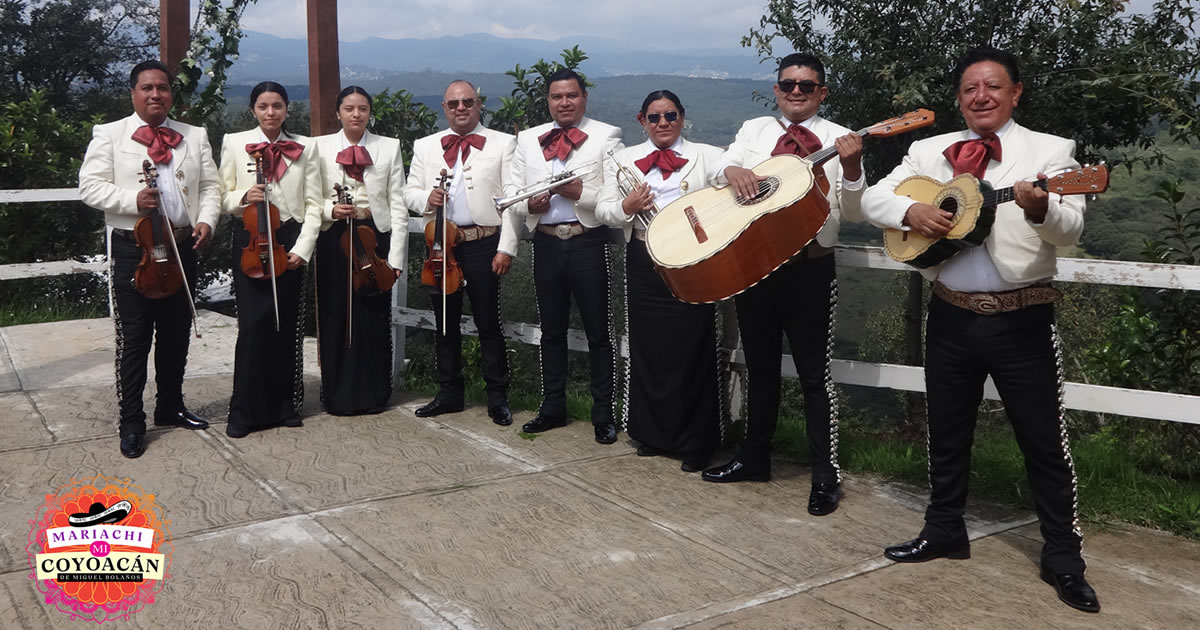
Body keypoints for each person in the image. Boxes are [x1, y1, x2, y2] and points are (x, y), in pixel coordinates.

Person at [861, 46, 1098, 613]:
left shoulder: (1052, 151)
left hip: (1023, 315)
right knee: (946, 432)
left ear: (1015, 93)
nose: (981, 97)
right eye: (970, 89)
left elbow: (1069, 231)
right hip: (949, 311)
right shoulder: (929, 150)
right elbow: (873, 197)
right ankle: (944, 529)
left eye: (993, 87)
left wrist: (1041, 209)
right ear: (960, 99)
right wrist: (910, 213)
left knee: (1042, 441)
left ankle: (1063, 557)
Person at [701, 53, 864, 518]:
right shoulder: (754, 131)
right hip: (756, 266)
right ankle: (755, 457)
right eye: (788, 84)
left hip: (811, 267)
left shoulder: (840, 139)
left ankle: (824, 474)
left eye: (806, 86)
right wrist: (733, 172)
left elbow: (854, 213)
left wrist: (850, 171)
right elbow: (722, 169)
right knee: (760, 367)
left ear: (822, 92)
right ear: (776, 89)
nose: (796, 91)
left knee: (815, 376)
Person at [79, 60, 220, 458]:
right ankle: (131, 421)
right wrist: (131, 200)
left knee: (177, 333)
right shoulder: (109, 134)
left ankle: (170, 405)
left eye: (162, 87)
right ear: (133, 93)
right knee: (135, 339)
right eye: (147, 88)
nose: (155, 94)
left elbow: (211, 185)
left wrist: (206, 220)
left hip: (180, 246)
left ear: (171, 94)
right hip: (133, 248)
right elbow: (89, 187)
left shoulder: (193, 135)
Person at [596, 89, 724, 471]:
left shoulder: (709, 155)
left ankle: (697, 440)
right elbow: (604, 210)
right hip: (644, 257)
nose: (663, 123)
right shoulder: (623, 160)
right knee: (649, 347)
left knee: (693, 347)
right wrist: (626, 207)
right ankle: (653, 433)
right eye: (654, 117)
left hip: (692, 259)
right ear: (642, 121)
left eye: (670, 116)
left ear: (682, 118)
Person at [506, 68, 624, 444]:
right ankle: (552, 407)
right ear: (548, 100)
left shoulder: (607, 135)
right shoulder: (527, 139)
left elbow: (615, 190)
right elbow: (512, 187)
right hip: (545, 243)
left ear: (584, 97)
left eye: (571, 95)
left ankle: (603, 413)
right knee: (551, 332)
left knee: (598, 333)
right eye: (557, 97)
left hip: (588, 241)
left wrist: (580, 194)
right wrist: (529, 201)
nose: (564, 102)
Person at [403, 80, 521, 426]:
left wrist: (506, 247)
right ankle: (449, 393)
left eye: (467, 102)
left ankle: (497, 397)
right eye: (453, 103)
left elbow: (512, 202)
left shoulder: (503, 143)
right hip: (441, 246)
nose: (460, 108)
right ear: (444, 107)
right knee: (445, 321)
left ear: (478, 104)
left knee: (488, 322)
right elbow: (408, 192)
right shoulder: (425, 146)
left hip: (485, 242)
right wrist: (427, 198)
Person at [218, 81, 323, 437]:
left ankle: (285, 405)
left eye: (277, 105)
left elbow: (313, 205)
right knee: (252, 327)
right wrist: (243, 196)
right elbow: (220, 196)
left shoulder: (304, 148)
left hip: (289, 241)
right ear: (253, 111)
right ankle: (244, 411)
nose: (270, 112)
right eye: (263, 106)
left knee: (286, 326)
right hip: (251, 239)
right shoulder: (234, 143)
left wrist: (302, 249)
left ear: (287, 109)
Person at [312, 86, 407, 415]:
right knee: (335, 314)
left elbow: (398, 206)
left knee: (373, 317)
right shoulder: (319, 147)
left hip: (373, 238)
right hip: (334, 240)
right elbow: (309, 198)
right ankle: (337, 394)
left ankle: (375, 393)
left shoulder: (388, 147)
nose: (356, 114)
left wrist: (396, 259)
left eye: (363, 109)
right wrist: (329, 210)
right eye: (349, 108)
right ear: (337, 112)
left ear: (370, 112)